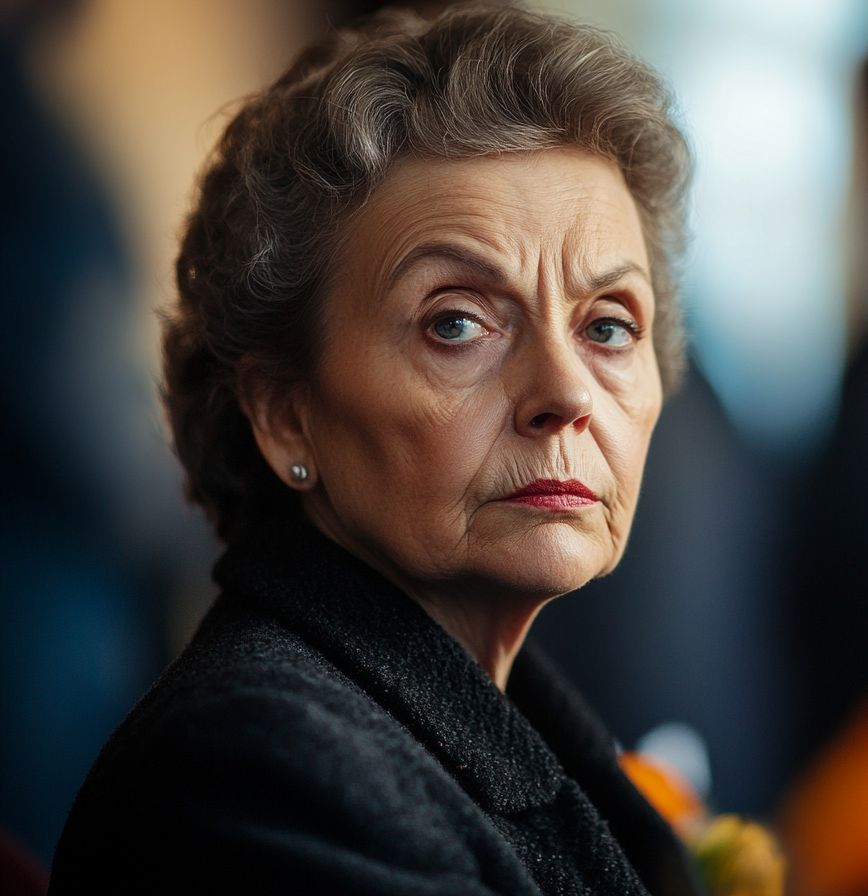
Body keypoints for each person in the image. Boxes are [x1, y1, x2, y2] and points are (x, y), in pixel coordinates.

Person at [48, 5, 699, 894]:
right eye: (457, 322)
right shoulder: (257, 768)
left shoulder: (501, 722)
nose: (565, 395)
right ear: (284, 415)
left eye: (610, 326)